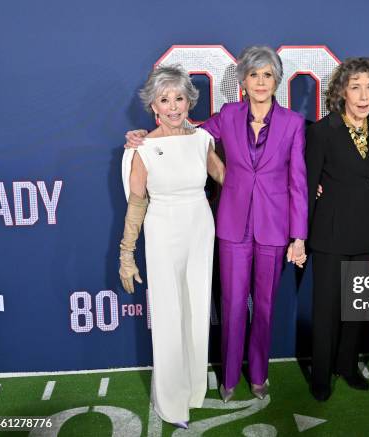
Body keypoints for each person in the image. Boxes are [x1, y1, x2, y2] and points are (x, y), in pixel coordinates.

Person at [125, 46, 308, 401]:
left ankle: (258, 374)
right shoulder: (227, 116)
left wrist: (298, 236)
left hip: (274, 228)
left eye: (267, 75)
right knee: (233, 304)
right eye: (254, 75)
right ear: (243, 80)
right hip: (231, 226)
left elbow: (298, 183)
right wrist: (141, 137)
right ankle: (228, 378)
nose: (260, 82)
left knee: (266, 306)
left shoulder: (293, 124)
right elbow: (184, 134)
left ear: (277, 81)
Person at [118, 65, 225, 428]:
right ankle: (170, 401)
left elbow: (226, 177)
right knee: (167, 315)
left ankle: (194, 390)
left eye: (179, 98)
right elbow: (136, 203)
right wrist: (126, 255)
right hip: (162, 229)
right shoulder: (142, 148)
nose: (174, 106)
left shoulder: (202, 140)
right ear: (154, 107)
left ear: (188, 101)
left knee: (196, 310)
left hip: (200, 226)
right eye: (165, 100)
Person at [306, 57, 369, 401]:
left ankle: (347, 366)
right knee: (326, 310)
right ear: (342, 92)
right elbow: (308, 186)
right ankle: (321, 375)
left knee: (357, 307)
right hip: (331, 235)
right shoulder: (323, 131)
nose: (364, 95)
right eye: (356, 87)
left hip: (368, 232)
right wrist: (300, 237)